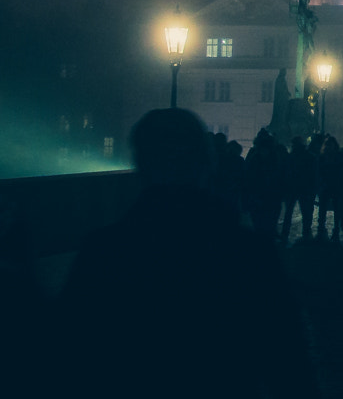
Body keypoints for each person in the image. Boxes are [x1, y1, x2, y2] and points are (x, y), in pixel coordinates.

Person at [59, 108, 317, 398]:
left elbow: (68, 361)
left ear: (141, 165)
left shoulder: (103, 253)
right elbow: (290, 368)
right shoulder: (248, 253)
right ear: (206, 164)